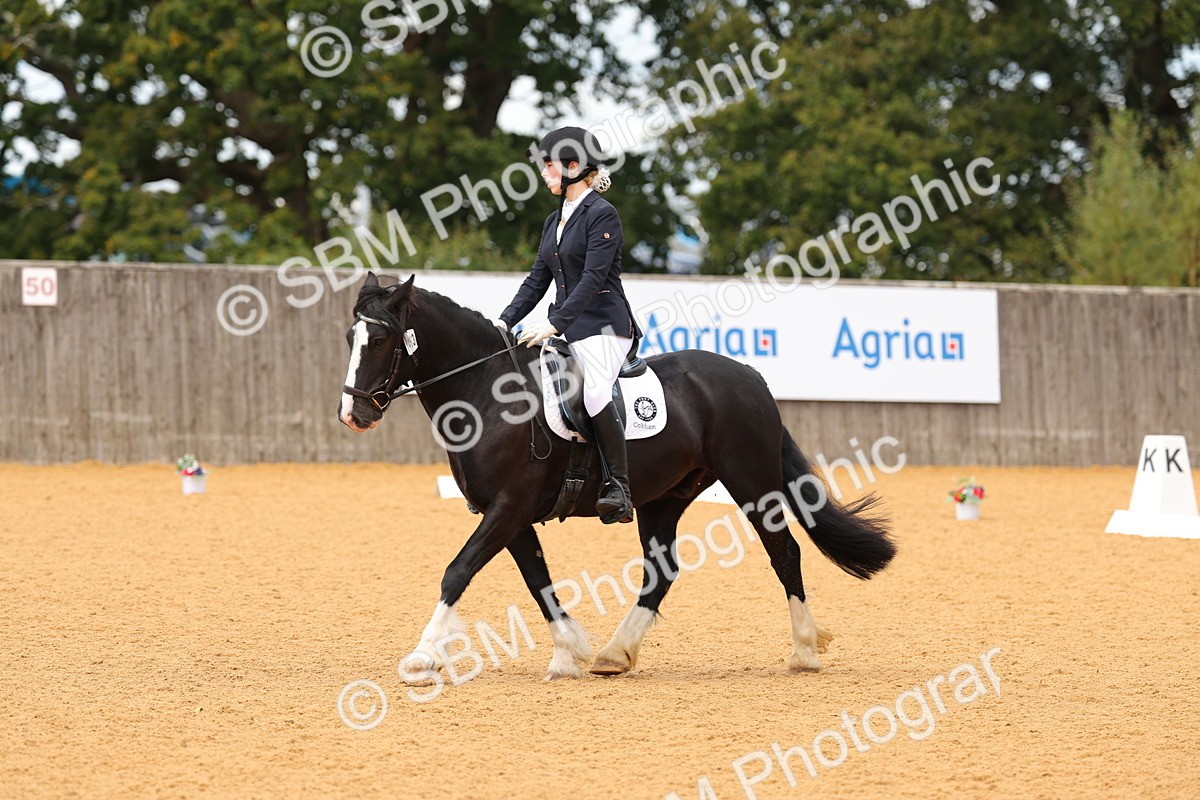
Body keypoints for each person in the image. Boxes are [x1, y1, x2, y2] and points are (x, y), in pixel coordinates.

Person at [495, 126, 639, 524]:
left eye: (549, 167)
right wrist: (504, 320)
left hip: (605, 327)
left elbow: (593, 280)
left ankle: (619, 488)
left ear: (573, 167)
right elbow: (537, 280)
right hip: (567, 327)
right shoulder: (553, 220)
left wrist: (555, 322)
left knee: (594, 393)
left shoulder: (601, 214)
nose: (543, 175)